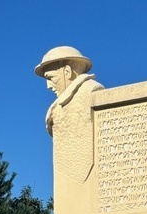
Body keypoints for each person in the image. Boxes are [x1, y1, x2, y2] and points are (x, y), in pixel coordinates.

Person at [34, 46, 103, 184]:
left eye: (50, 78)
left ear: (67, 72)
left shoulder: (89, 93)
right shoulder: (63, 104)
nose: (48, 86)